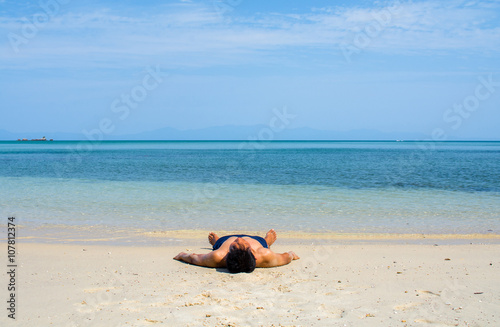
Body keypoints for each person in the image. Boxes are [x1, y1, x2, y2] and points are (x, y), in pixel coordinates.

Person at [173, 229, 300, 273]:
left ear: (228, 253)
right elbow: (285, 257)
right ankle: (267, 241)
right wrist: (291, 254)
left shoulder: (218, 256)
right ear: (252, 252)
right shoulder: (263, 255)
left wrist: (183, 255)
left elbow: (195, 258)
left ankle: (216, 242)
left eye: (234, 246)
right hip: (257, 241)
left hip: (225, 240)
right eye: (242, 244)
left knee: (218, 244)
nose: (239, 239)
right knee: (264, 244)